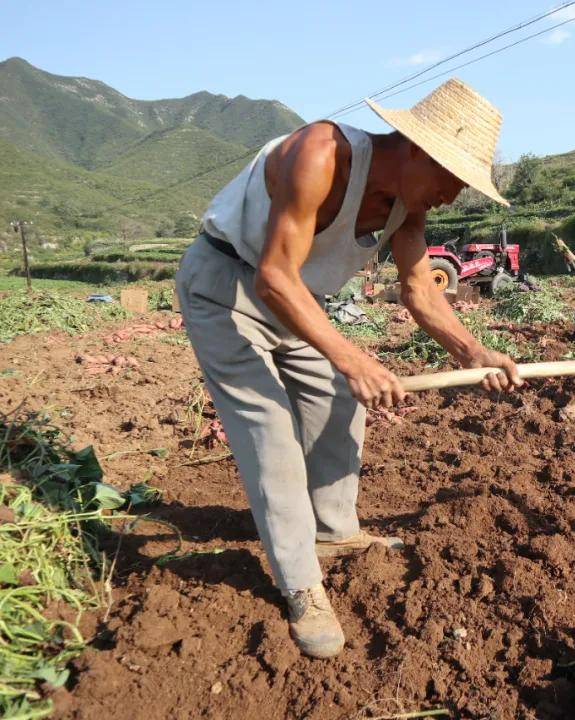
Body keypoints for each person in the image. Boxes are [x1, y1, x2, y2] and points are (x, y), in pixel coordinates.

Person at [175, 79, 522, 659]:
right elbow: (273, 276)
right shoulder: (320, 154)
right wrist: (355, 357)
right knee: (271, 437)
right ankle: (301, 586)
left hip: (297, 301)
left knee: (339, 405)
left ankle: (334, 534)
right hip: (227, 287)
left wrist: (472, 352)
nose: (455, 195)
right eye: (454, 177)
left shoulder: (409, 203)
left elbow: (419, 289)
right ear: (417, 149)